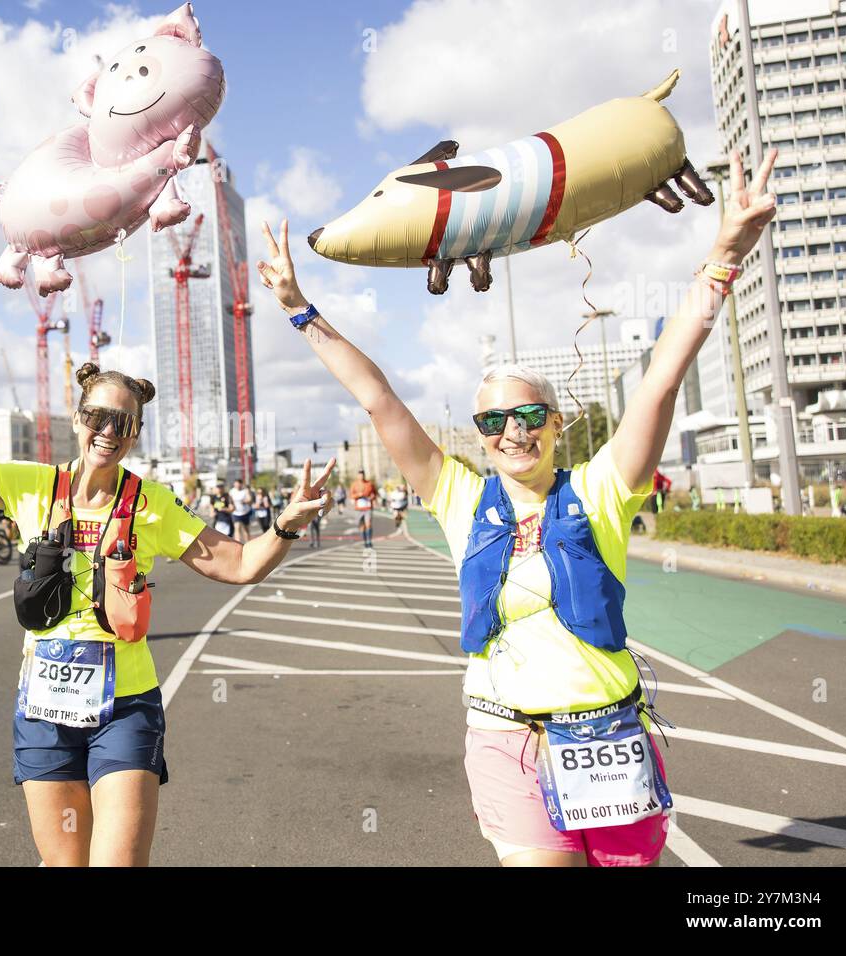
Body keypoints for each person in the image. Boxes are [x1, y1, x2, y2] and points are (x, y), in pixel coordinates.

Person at [253, 148, 777, 867]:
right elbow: (380, 400)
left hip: (609, 741)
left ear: (557, 422)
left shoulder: (599, 489)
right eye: (493, 423)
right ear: (480, 438)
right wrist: (299, 310)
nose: (513, 432)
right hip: (508, 741)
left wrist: (720, 257)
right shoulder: (462, 498)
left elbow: (659, 381)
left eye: (529, 414)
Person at [0, 297, 332, 866]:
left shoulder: (151, 503)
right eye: (98, 417)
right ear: (78, 420)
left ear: (135, 435)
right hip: (44, 713)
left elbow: (240, 564)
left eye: (124, 424)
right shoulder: (31, 486)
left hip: (124, 710)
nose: (109, 431)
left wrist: (283, 526)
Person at [349, 470, 378, 548]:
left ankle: (369, 541)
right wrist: (359, 495)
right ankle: (365, 541)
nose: (361, 477)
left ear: (364, 475)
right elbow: (351, 496)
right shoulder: (354, 484)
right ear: (358, 476)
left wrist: (373, 497)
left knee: (368, 524)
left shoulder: (369, 484)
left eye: (362, 475)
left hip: (368, 507)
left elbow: (375, 493)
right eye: (360, 475)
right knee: (362, 526)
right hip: (358, 508)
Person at [228, 477, 253, 543]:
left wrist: (244, 501)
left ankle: (248, 543)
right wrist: (230, 504)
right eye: (236, 484)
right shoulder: (232, 491)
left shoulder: (245, 490)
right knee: (237, 528)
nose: (237, 486)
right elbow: (230, 500)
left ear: (241, 484)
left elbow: (249, 499)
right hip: (236, 513)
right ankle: (238, 543)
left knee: (246, 529)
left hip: (245, 512)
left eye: (238, 484)